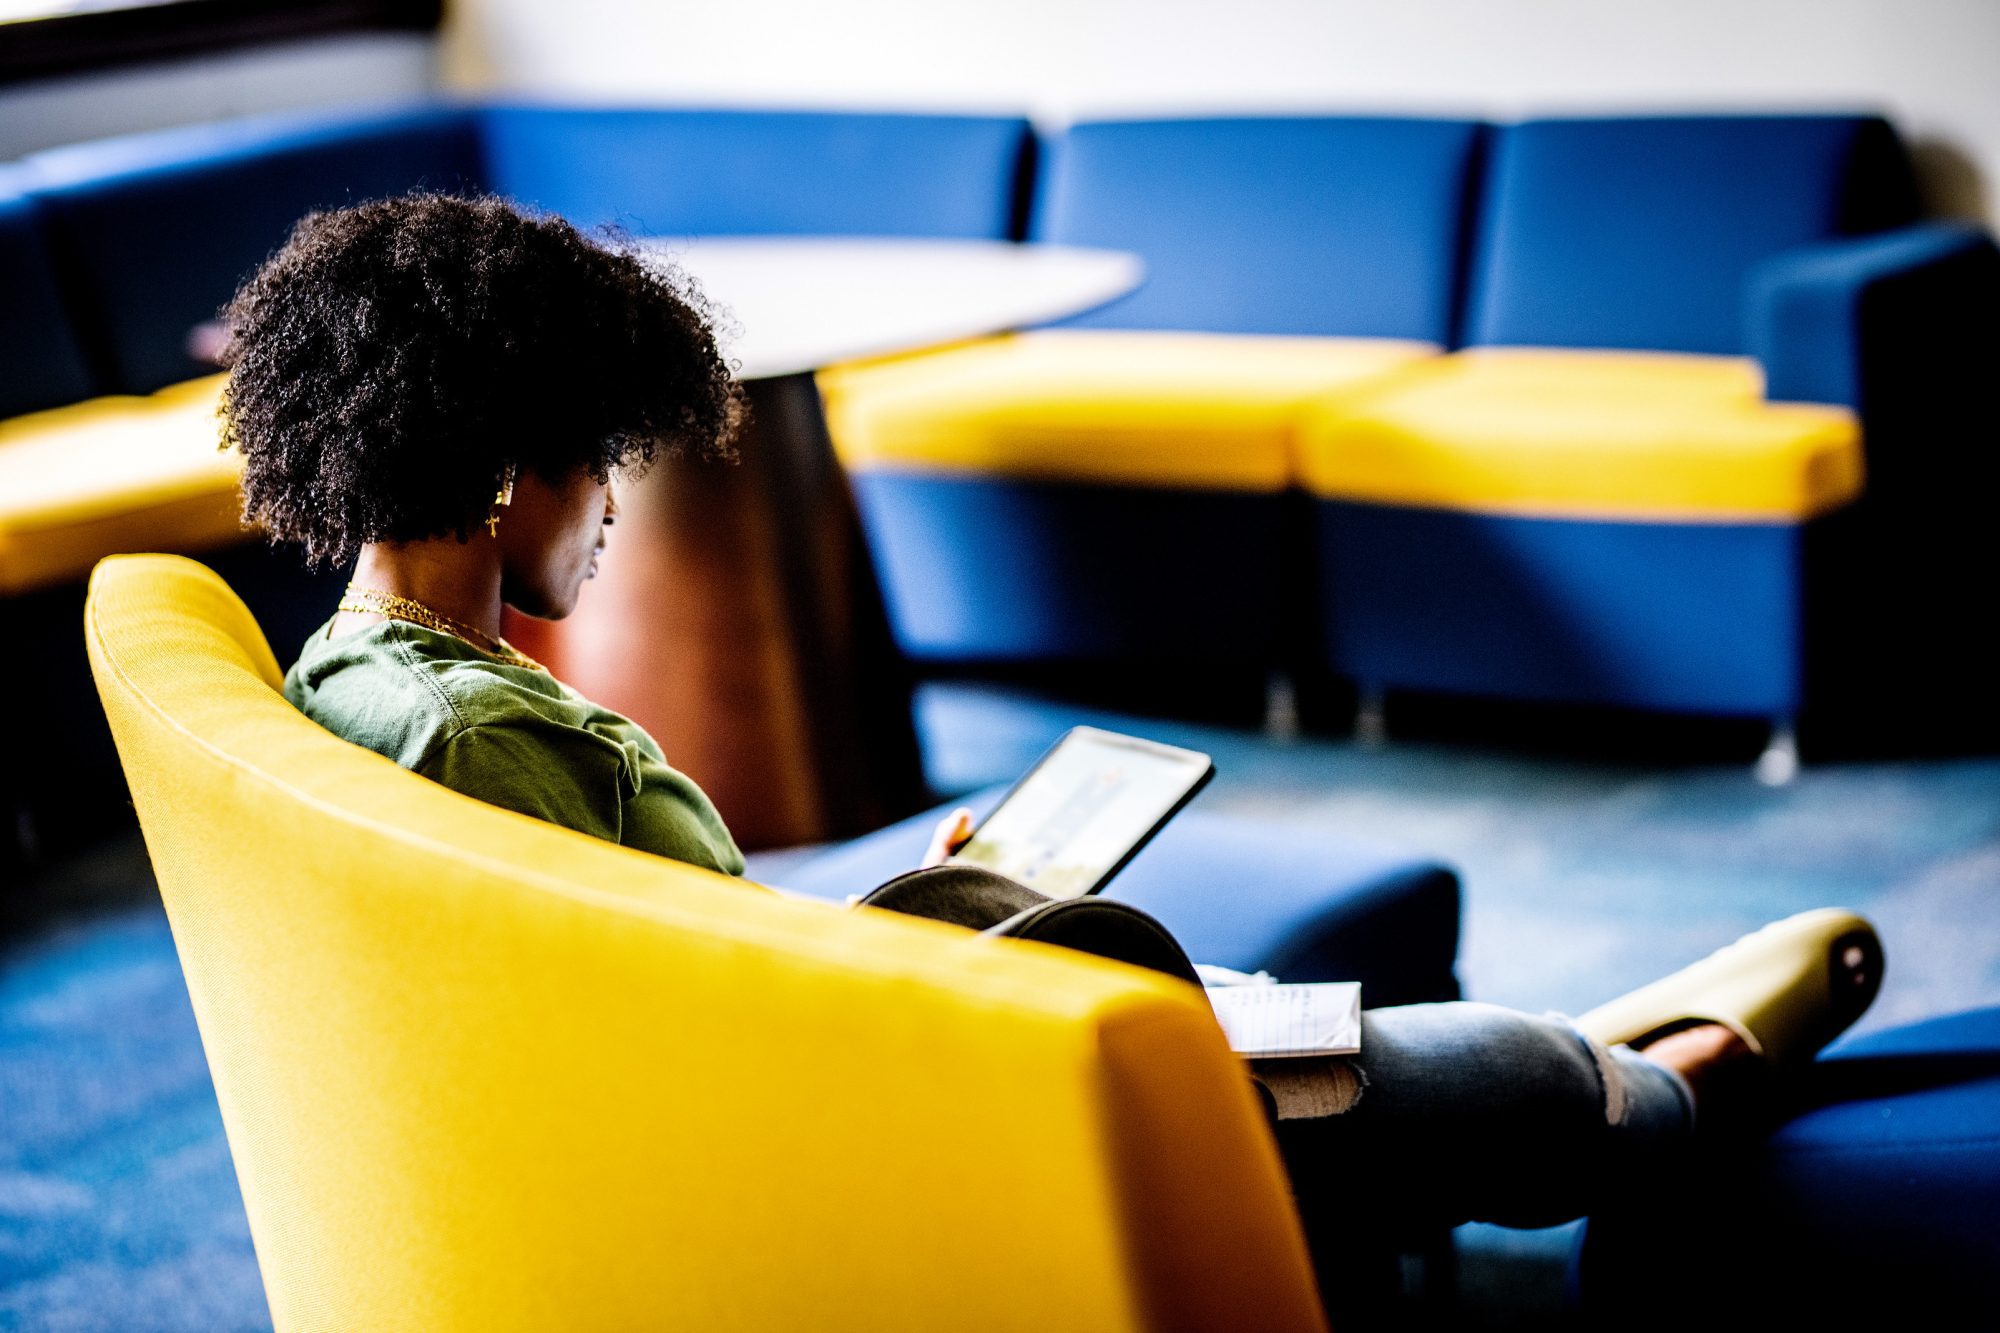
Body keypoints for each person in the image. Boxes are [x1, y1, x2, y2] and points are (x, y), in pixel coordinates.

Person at [225, 192, 1883, 1265]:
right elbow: (705, 1034)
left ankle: (1604, 1044)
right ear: (516, 472)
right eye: (603, 460)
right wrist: (931, 960)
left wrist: (931, 901)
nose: (609, 509)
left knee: (1331, 1028)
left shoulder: (364, 685)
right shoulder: (481, 748)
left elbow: (657, 969)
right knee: (1523, 1086)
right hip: (926, 1104)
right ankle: (1687, 1072)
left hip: (872, 1022)